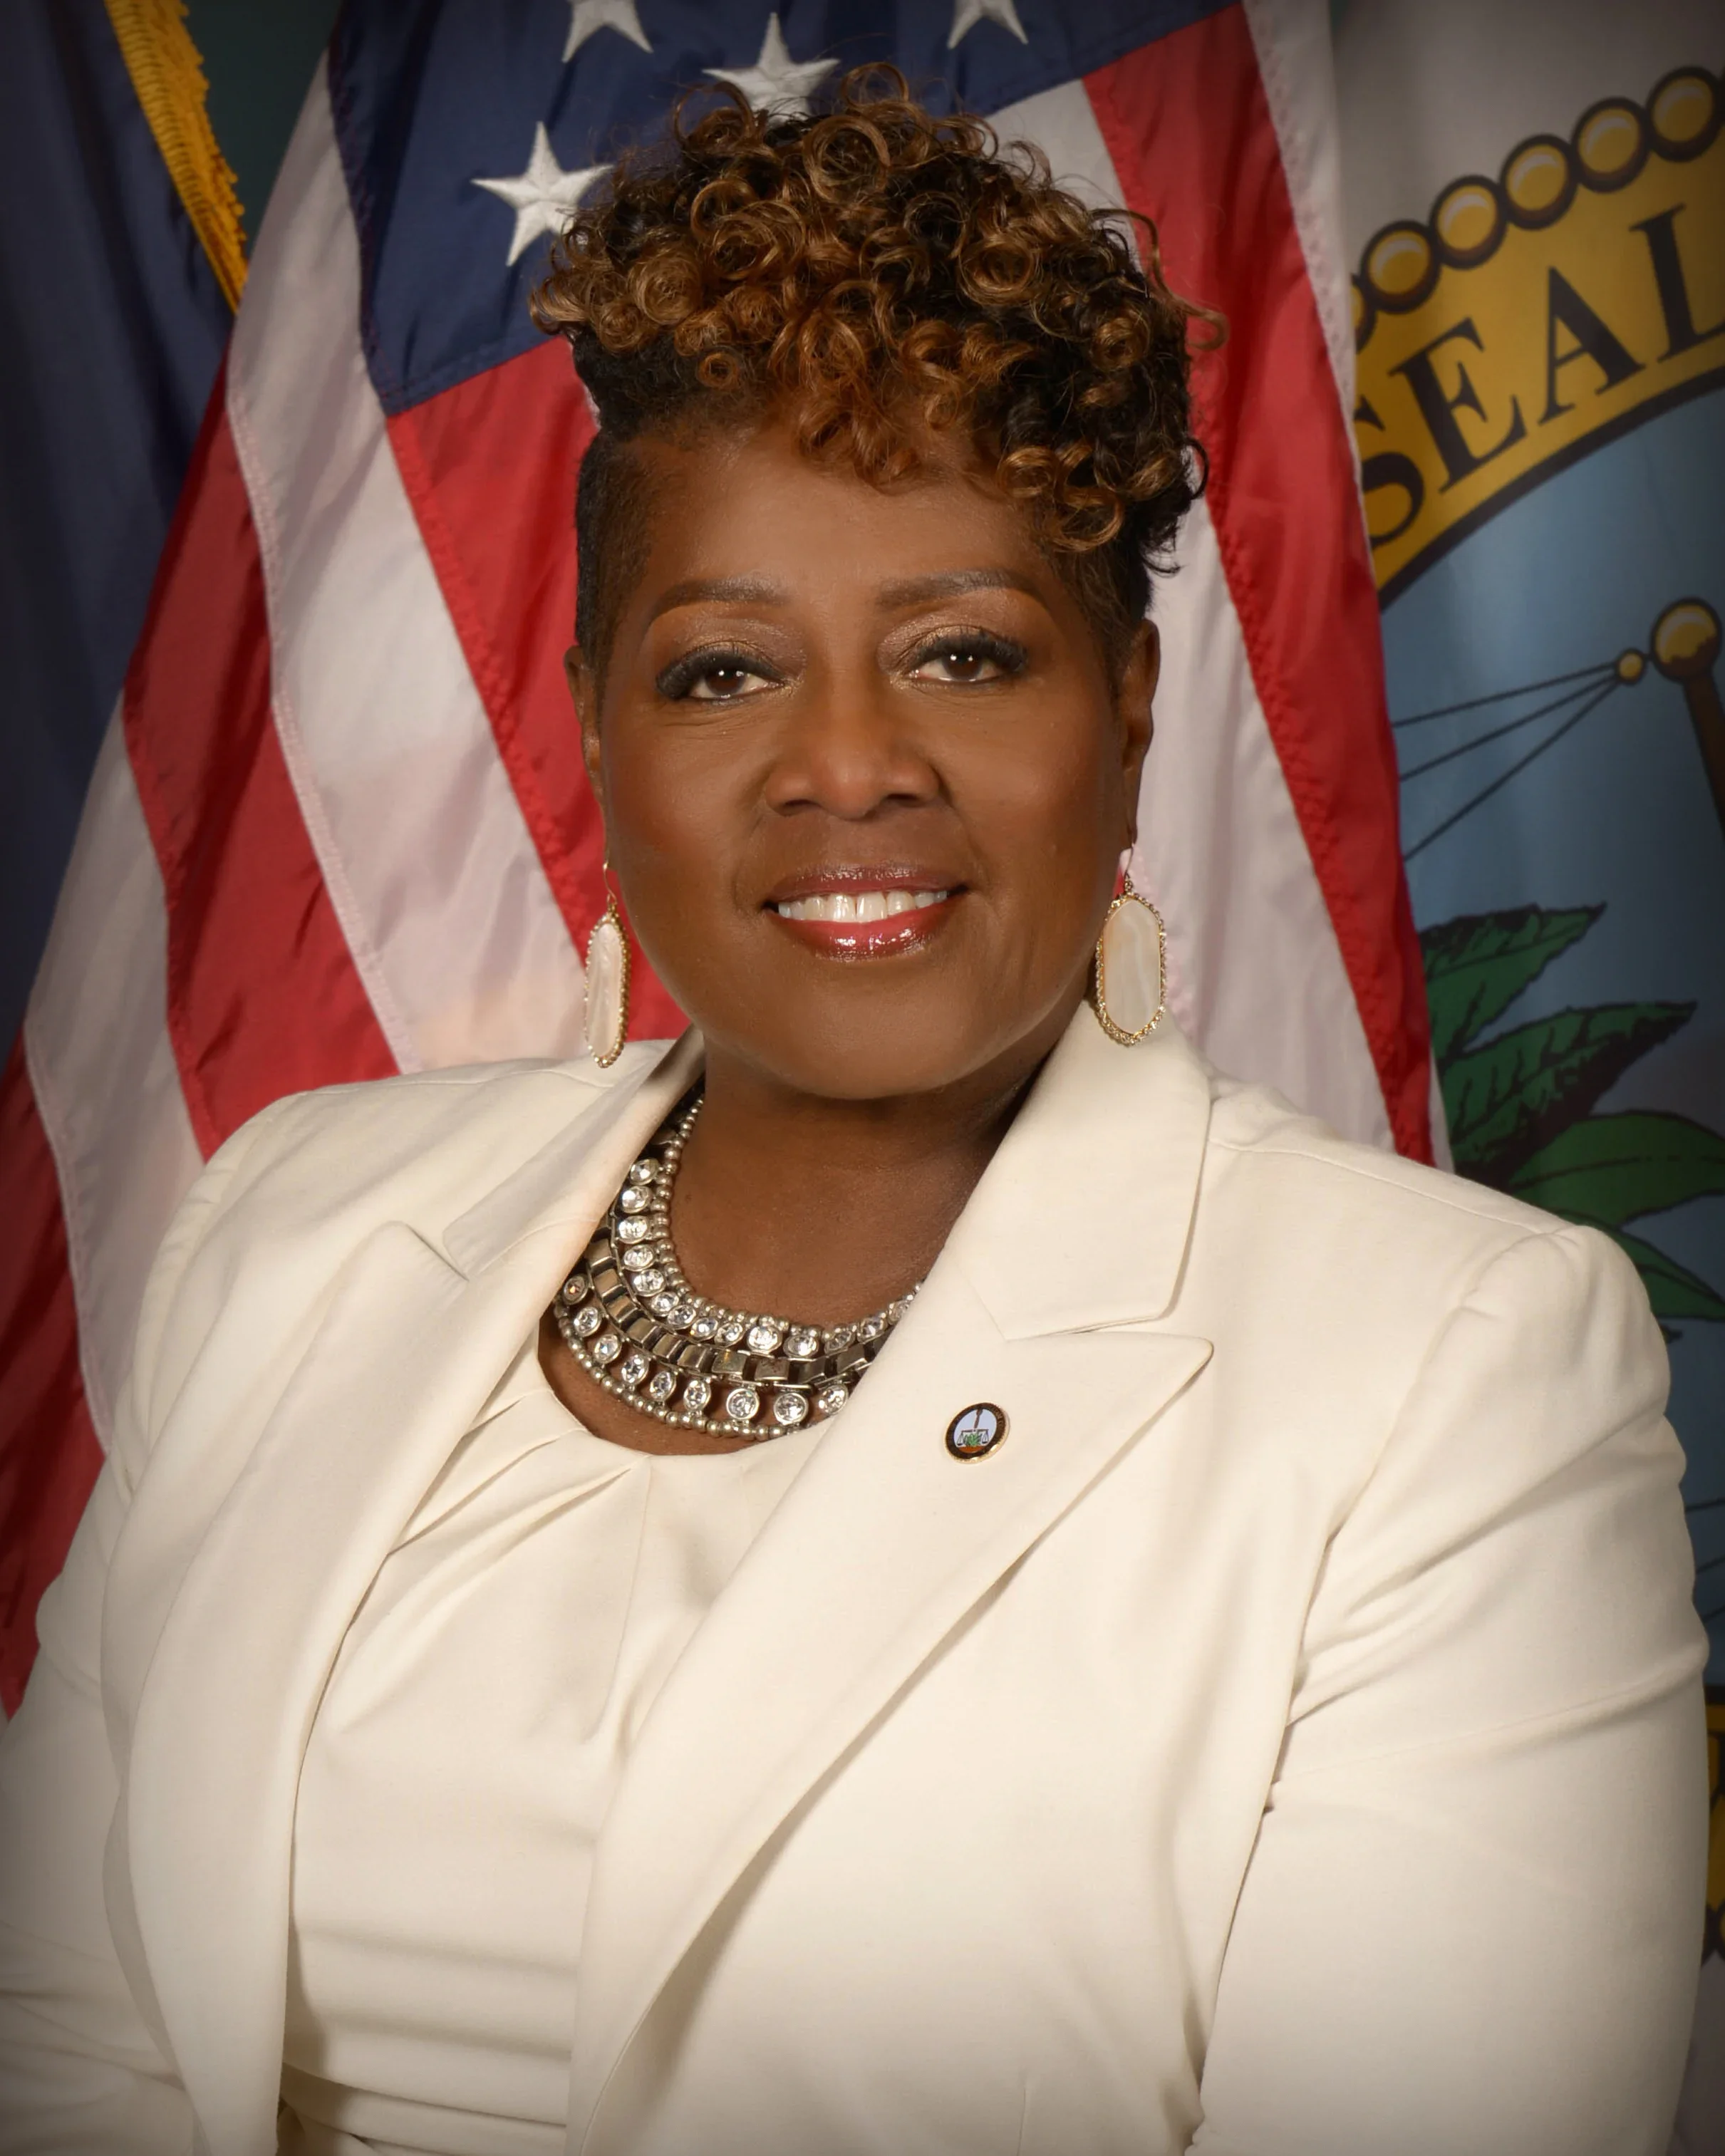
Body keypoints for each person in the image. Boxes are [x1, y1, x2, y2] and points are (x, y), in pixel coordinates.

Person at [0, 72, 1707, 2156]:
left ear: (1129, 702)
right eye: (723, 671)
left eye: (965, 657)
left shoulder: (1451, 1368)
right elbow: (56, 2033)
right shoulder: (288, 1228)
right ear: (594, 725)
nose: (848, 764)